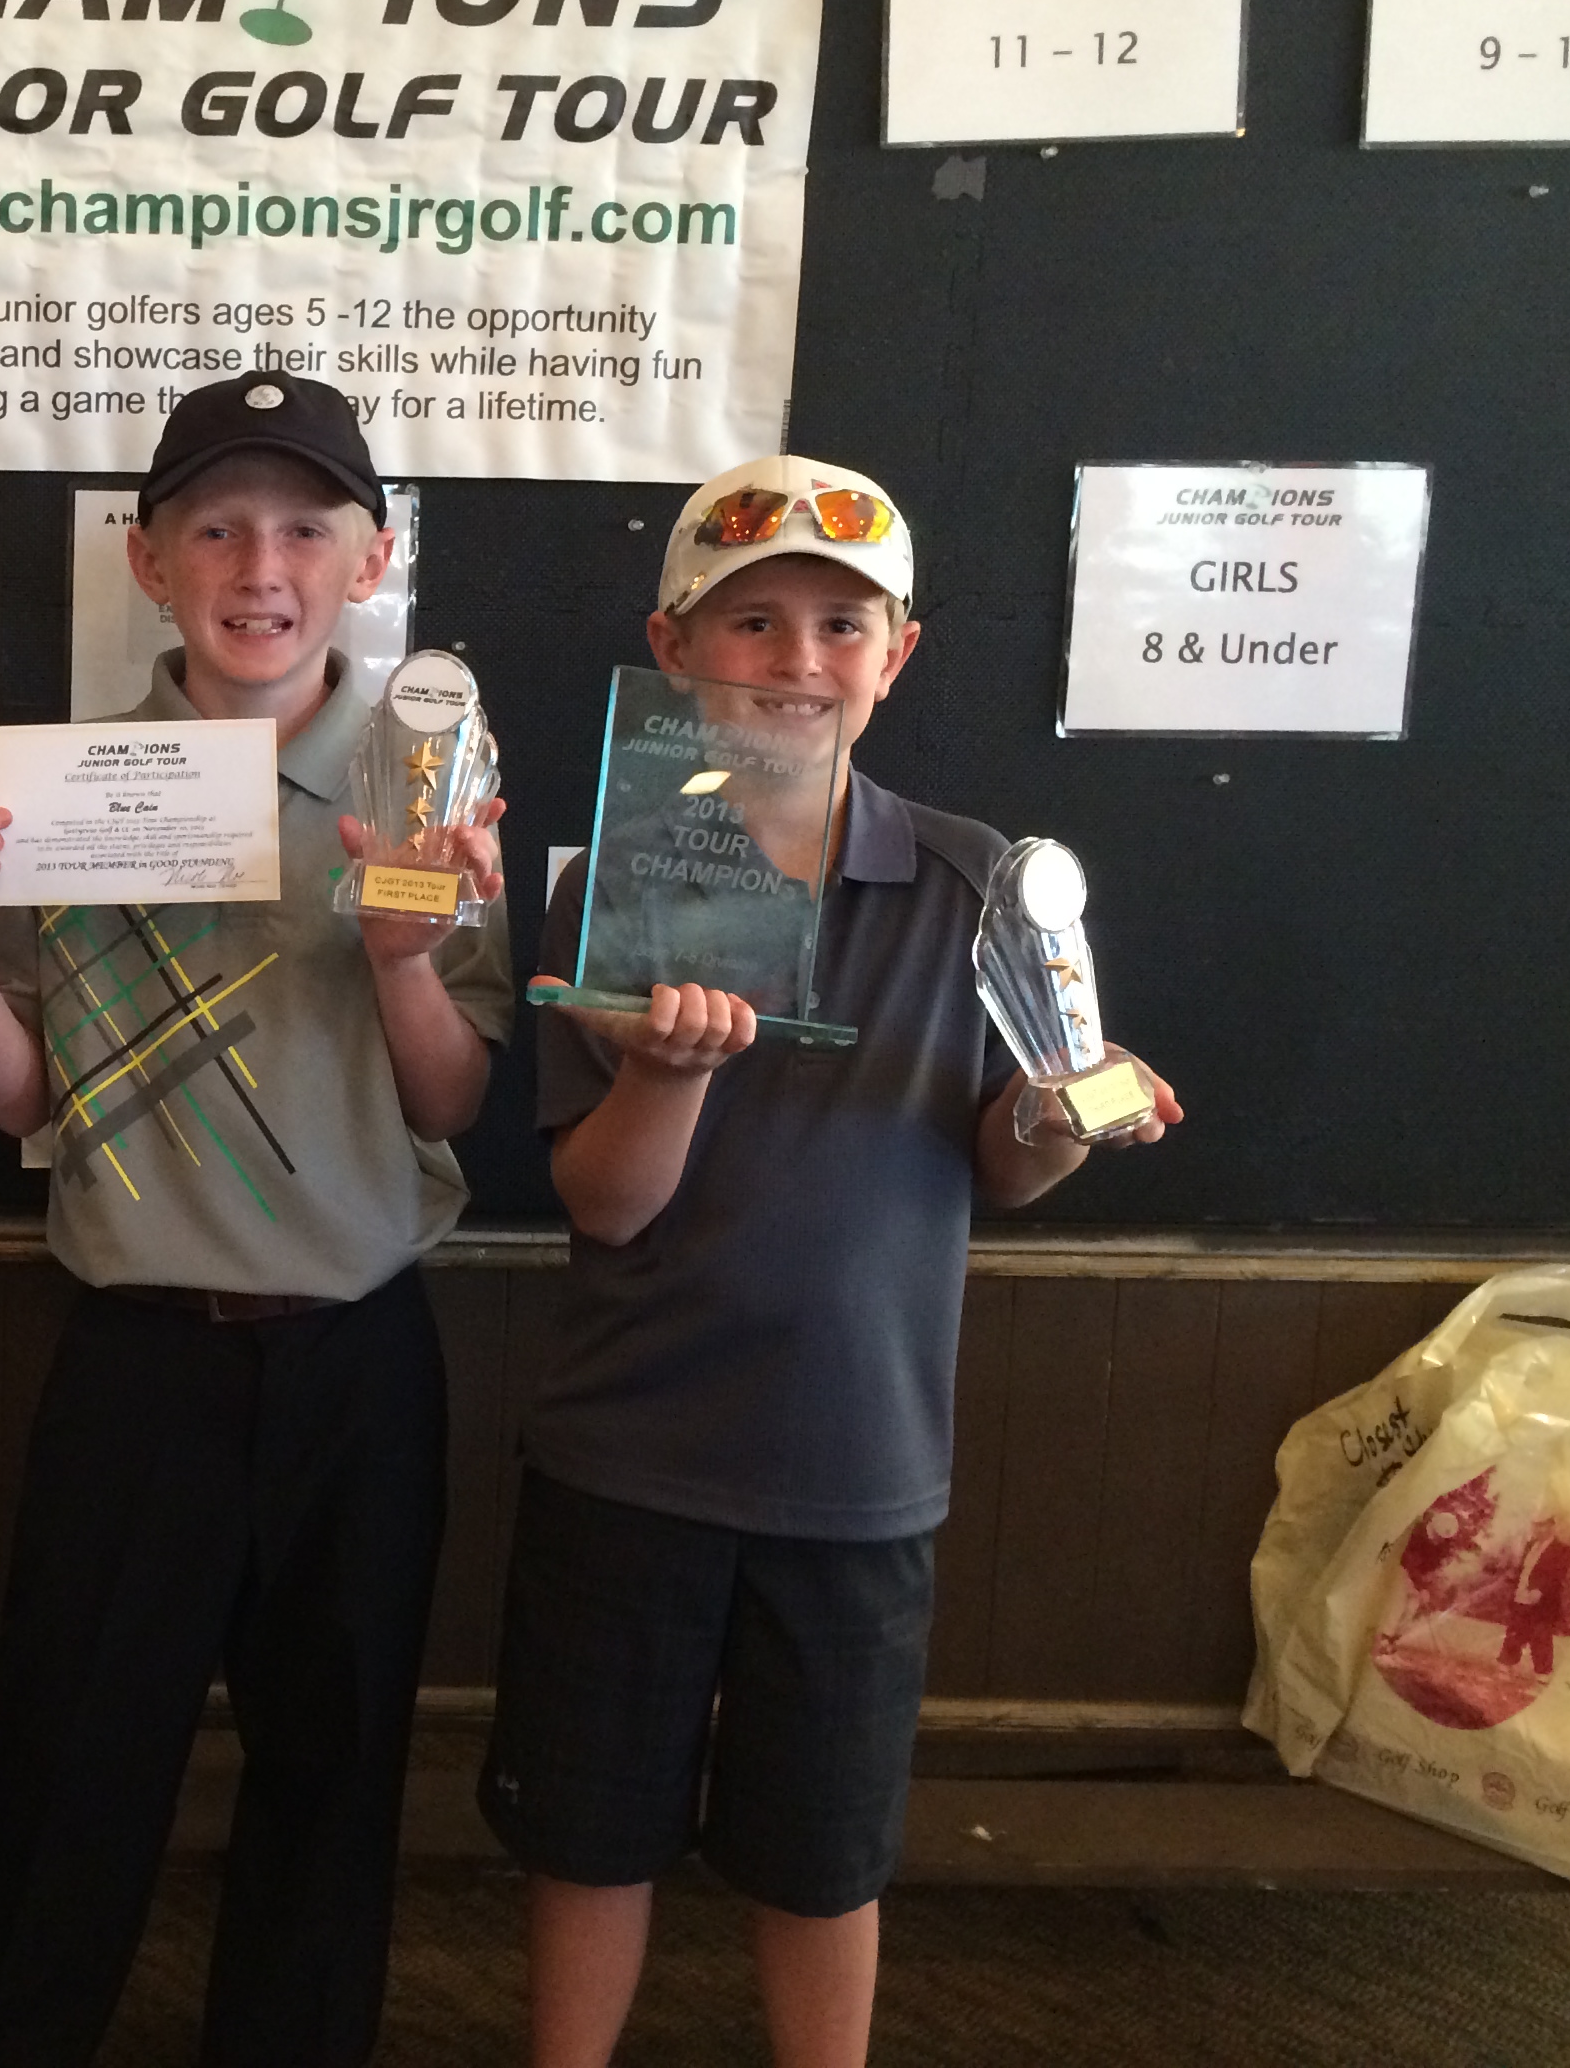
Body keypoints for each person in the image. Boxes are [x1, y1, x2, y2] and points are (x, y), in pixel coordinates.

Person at [490, 455, 1186, 2068]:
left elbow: (1007, 1173)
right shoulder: (617, 879)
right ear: (675, 650)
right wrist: (665, 1074)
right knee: (588, 1836)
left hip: (860, 1473)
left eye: (836, 625)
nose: (796, 661)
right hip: (630, 1459)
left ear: (898, 654)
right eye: (752, 623)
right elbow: (602, 1207)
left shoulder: (977, 883)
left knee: (822, 1856)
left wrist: (1073, 1113)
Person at [0, 371, 514, 2067]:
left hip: (358, 1365)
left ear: (370, 557)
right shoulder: (71, 791)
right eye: (218, 526)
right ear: (147, 559)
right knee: (64, 1762)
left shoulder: (432, 783)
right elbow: (22, 1103)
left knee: (336, 1767)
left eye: (306, 526)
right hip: (139, 1362)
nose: (263, 563)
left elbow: (457, 1102)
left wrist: (403, 958)